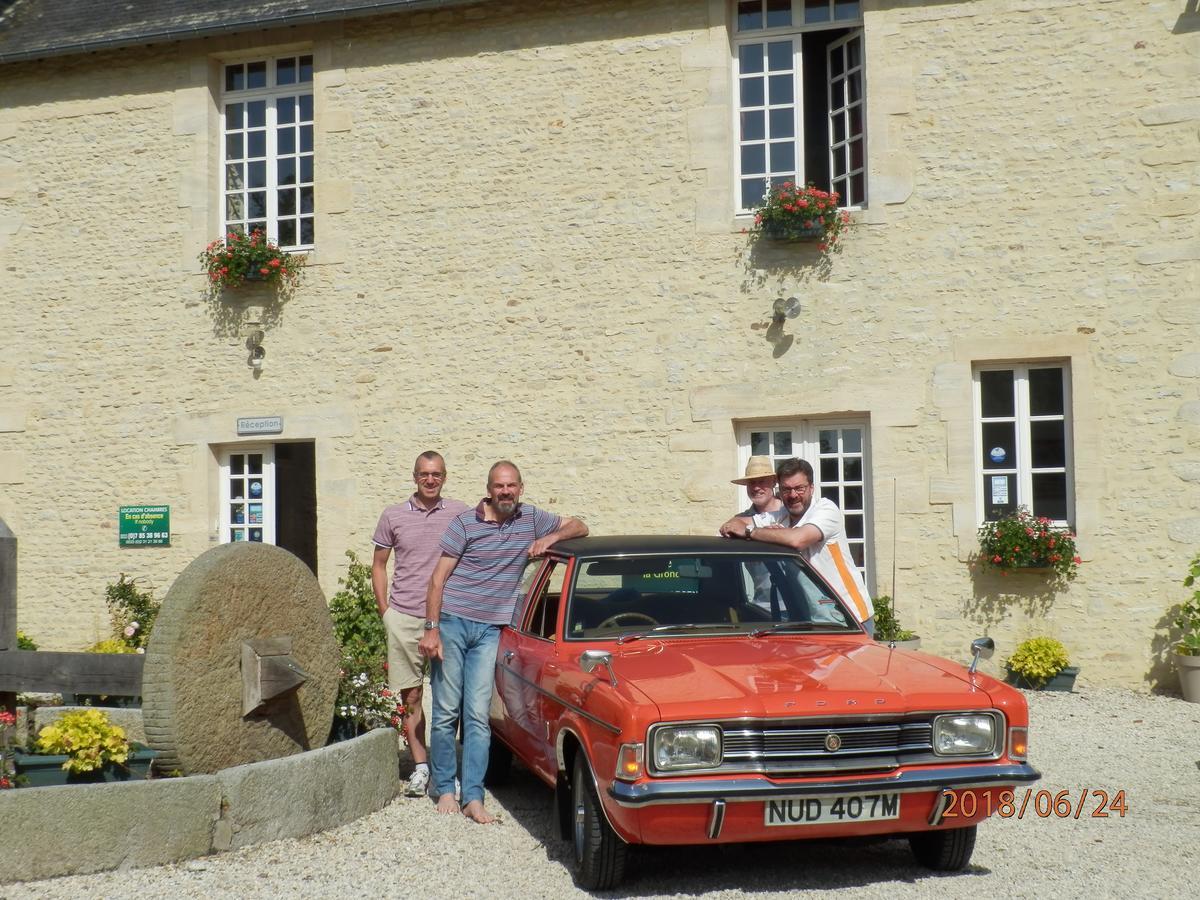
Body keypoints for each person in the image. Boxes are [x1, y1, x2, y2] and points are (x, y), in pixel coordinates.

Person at [418, 460, 588, 824]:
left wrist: (551, 538)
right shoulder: (465, 523)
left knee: (478, 715)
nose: (506, 492)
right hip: (452, 623)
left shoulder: (530, 519)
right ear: (489, 489)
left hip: (489, 631)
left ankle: (473, 797)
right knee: (447, 710)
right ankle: (446, 787)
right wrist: (431, 629)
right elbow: (437, 579)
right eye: (499, 486)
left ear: (521, 488)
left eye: (511, 486)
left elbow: (580, 525)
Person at [371, 451, 469, 799]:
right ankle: (421, 767)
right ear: (415, 476)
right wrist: (386, 612)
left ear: (444, 477)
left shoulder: (459, 513)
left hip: (446, 619)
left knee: (449, 698)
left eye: (437, 474)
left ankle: (447, 770)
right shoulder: (393, 516)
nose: (431, 480)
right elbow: (379, 565)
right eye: (425, 474)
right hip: (404, 616)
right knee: (410, 695)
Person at [719, 457, 875, 635]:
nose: (793, 495)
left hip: (849, 616)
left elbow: (797, 539)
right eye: (786, 489)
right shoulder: (781, 515)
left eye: (799, 488)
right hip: (809, 619)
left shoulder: (826, 509)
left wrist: (751, 532)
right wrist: (763, 531)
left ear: (811, 488)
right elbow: (733, 523)